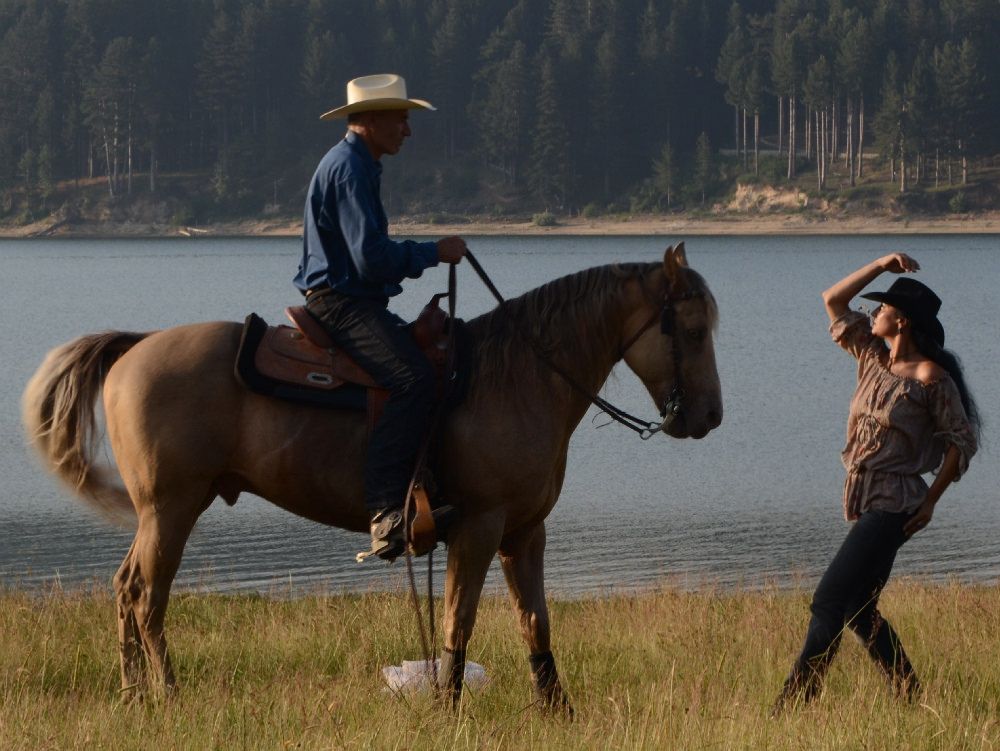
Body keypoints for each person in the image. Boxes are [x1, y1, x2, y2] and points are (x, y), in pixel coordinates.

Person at [773, 252, 980, 711]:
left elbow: (961, 442)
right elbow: (832, 299)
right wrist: (880, 265)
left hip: (895, 505)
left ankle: (794, 702)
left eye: (882, 307)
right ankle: (910, 695)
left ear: (901, 320)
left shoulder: (930, 378)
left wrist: (931, 500)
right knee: (859, 611)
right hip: (868, 499)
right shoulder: (871, 357)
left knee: (828, 600)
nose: (872, 313)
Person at [294, 74, 468, 561]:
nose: (407, 131)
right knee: (413, 378)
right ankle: (386, 511)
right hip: (341, 303)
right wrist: (433, 252)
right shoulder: (350, 170)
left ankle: (420, 486)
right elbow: (371, 259)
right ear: (370, 119)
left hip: (350, 300)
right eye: (401, 119)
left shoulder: (357, 164)